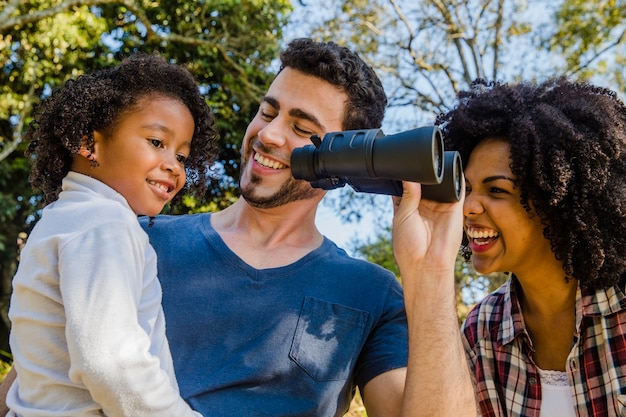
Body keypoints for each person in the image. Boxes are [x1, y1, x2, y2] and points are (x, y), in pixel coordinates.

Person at [0, 39, 475, 416]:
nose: (268, 134)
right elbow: (37, 379)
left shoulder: (372, 293)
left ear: (344, 159)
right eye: (268, 112)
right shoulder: (134, 234)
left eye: (302, 128)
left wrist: (431, 273)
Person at [5, 53, 219, 416]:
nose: (173, 165)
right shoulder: (104, 222)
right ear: (90, 144)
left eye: (182, 157)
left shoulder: (65, 218)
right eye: (156, 141)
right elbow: (113, 362)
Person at [436, 77, 626, 416]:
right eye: (466, 189)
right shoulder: (482, 330)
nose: (467, 207)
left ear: (555, 202)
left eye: (496, 191)